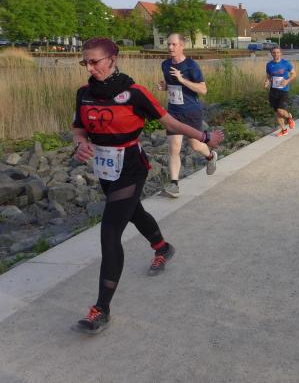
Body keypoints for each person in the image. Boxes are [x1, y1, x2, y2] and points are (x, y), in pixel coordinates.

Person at [71, 38, 223, 334]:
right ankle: (163, 247)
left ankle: (101, 309)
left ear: (112, 59)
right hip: (105, 169)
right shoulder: (84, 94)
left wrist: (205, 138)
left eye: (95, 62)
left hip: (131, 167)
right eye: (85, 62)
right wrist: (80, 144)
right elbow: (79, 129)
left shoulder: (135, 93)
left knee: (110, 232)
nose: (89, 68)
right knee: (133, 212)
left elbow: (171, 122)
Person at [156, 33, 217, 199]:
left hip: (191, 111)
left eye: (174, 44)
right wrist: (165, 87)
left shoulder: (191, 65)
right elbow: (172, 85)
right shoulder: (165, 64)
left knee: (195, 145)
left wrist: (182, 79)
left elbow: (203, 89)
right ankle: (174, 184)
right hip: (173, 112)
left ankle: (210, 156)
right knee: (173, 148)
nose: (170, 47)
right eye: (168, 44)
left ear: (182, 46)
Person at [265, 47, 297, 137]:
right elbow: (268, 76)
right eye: (274, 52)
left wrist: (287, 81)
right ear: (271, 53)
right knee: (277, 112)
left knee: (280, 110)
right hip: (273, 90)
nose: (276, 54)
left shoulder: (286, 63)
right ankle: (284, 130)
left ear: (281, 53)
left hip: (284, 90)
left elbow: (294, 74)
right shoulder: (269, 65)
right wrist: (267, 82)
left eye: (277, 52)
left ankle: (289, 117)